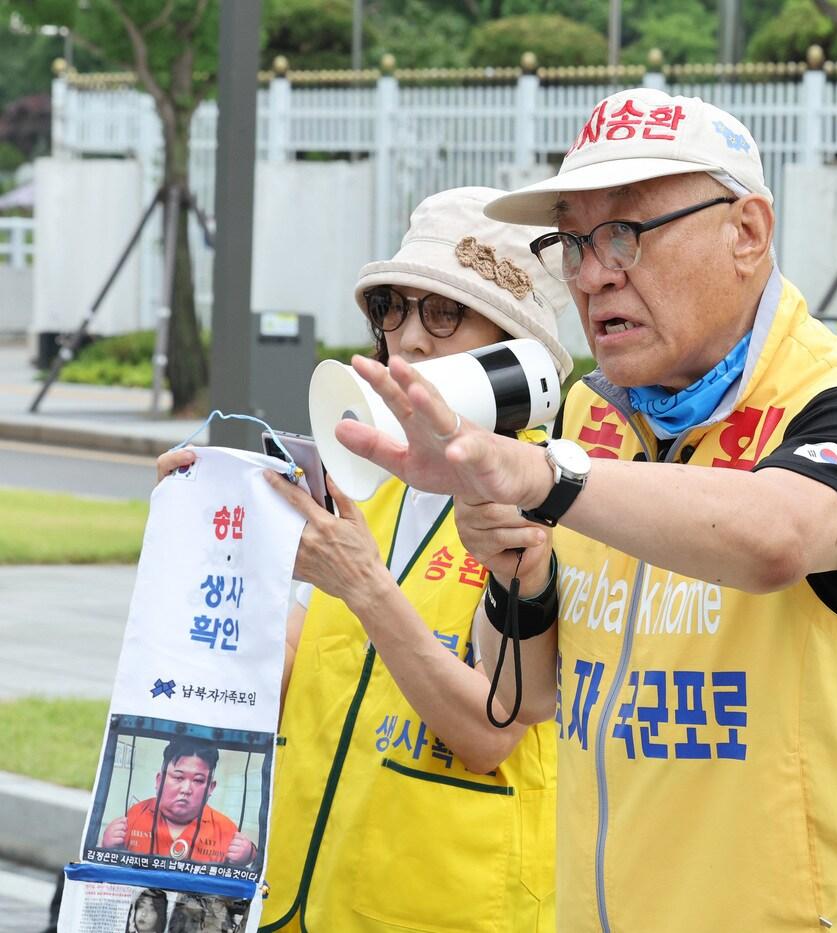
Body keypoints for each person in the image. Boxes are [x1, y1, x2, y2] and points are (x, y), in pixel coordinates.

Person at [333, 88, 837, 931]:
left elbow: (775, 536)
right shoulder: (591, 413)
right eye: (574, 242)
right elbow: (526, 694)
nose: (593, 274)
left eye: (625, 233)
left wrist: (542, 475)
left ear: (747, 232)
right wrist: (519, 576)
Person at [156, 188, 573, 932]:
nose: (407, 339)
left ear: (512, 343)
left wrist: (362, 585)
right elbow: (278, 676)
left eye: (443, 313)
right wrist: (207, 552)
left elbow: (490, 732)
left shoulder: (555, 494)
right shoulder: (364, 476)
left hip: (450, 909)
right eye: (390, 308)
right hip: (301, 899)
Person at [99, 738, 256, 866]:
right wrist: (106, 846)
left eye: (198, 780)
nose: (186, 789)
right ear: (159, 780)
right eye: (178, 777)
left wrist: (248, 855)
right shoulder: (135, 815)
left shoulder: (225, 829)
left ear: (211, 787)